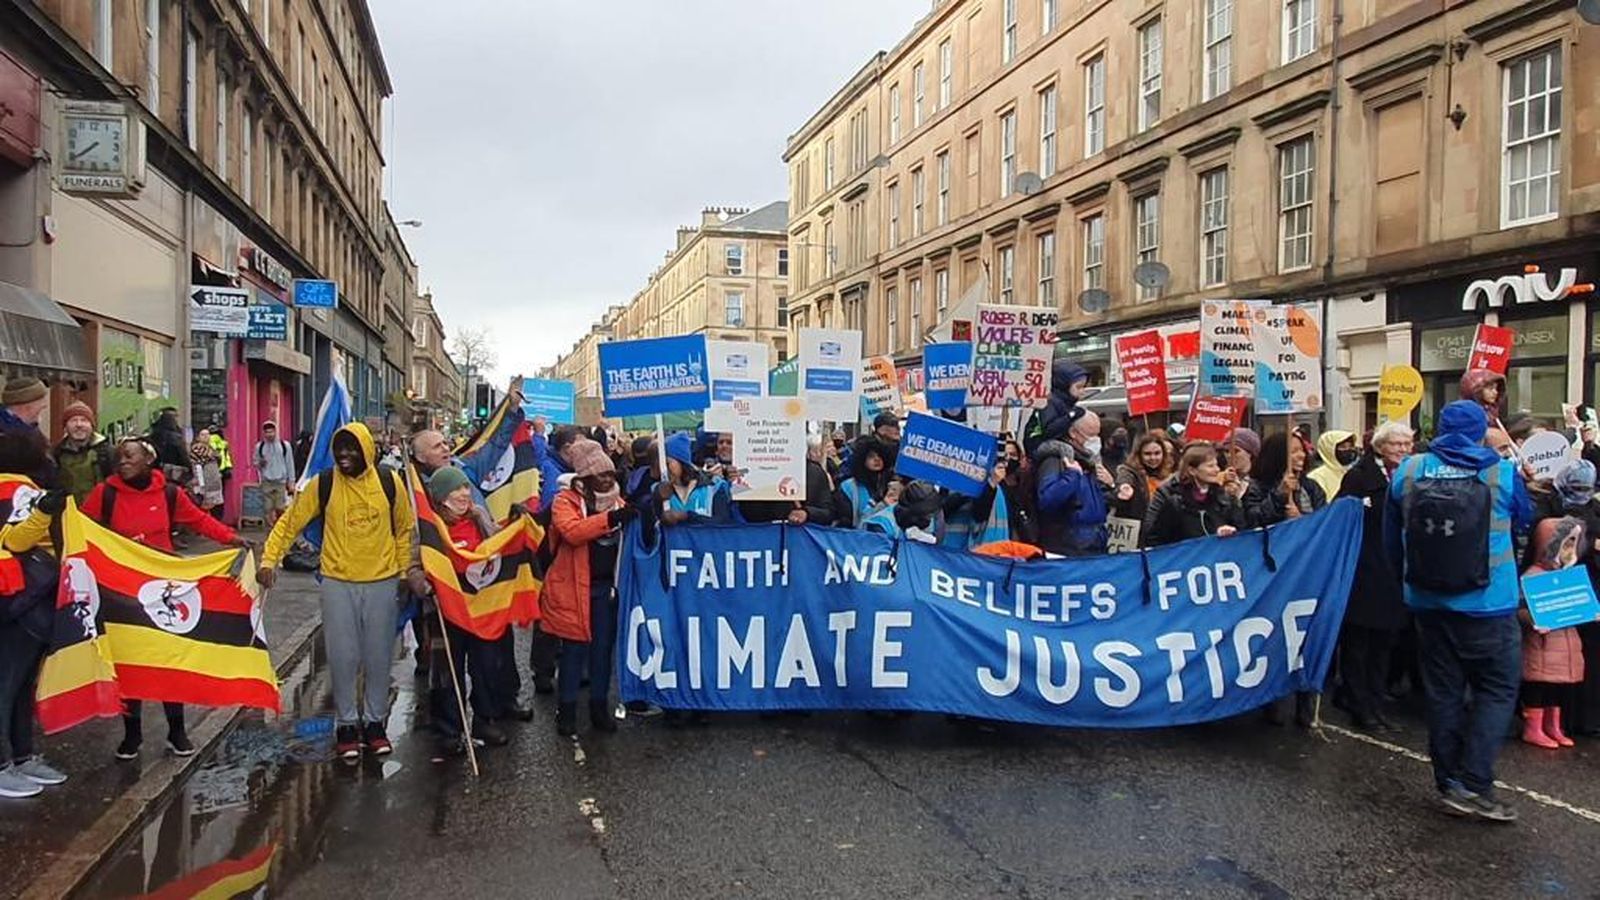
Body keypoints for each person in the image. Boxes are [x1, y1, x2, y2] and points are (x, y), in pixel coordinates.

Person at [1386, 399, 1532, 822]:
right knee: (1498, 690)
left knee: (1443, 693)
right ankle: (1476, 782)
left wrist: (1409, 585)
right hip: (1488, 606)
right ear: (1479, 431)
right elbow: (1524, 519)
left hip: (1428, 603)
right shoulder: (1501, 473)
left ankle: (1449, 782)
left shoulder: (1408, 472)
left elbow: (1391, 542)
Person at [82, 437, 249, 759]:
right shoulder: (106, 493)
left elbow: (200, 521)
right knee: (131, 663)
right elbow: (85, 528)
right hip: (122, 591)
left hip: (162, 589)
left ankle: (177, 731)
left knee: (168, 657)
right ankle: (132, 736)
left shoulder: (170, 493)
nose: (122, 461)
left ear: (148, 458)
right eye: (119, 457)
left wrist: (231, 538)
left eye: (129, 455)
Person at [258, 423, 415, 761]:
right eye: (339, 448)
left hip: (382, 581)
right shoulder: (324, 484)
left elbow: (403, 530)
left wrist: (403, 572)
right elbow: (290, 523)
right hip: (337, 582)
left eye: (352, 449)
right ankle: (346, 726)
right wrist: (269, 561)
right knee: (343, 657)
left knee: (377, 656)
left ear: (367, 451)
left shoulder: (390, 482)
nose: (344, 455)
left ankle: (374, 724)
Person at [405, 466, 516, 758]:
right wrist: (425, 585)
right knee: (447, 672)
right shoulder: (428, 528)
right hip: (446, 611)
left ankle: (484, 720)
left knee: (486, 666)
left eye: (466, 488)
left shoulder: (480, 517)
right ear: (442, 497)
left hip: (481, 608)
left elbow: (498, 547)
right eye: (457, 490)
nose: (465, 494)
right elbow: (414, 566)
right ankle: (449, 729)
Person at [540, 439, 635, 736]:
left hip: (605, 589)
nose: (608, 480)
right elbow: (571, 532)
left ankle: (598, 708)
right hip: (573, 588)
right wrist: (610, 520)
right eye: (600, 475)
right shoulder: (564, 501)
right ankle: (566, 710)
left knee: (602, 652)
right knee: (574, 652)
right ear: (584, 478)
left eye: (610, 474)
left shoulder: (619, 502)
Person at [0, 436, 68, 798]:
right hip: (20, 601)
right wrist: (44, 511)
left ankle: (21, 757)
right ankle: (6, 764)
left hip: (20, 600)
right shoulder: (17, 489)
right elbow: (15, 540)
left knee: (20, 684)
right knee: (10, 684)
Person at [1336, 420, 1414, 732]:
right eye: (1397, 444)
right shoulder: (1358, 476)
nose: (1404, 450)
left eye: (1407, 444)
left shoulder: (1409, 476)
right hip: (1366, 569)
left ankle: (1376, 703)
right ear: (1380, 446)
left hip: (1396, 570)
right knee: (1359, 644)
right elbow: (1340, 516)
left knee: (1385, 643)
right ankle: (1360, 705)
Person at [1518, 516, 1586, 749]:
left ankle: (1552, 725)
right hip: (1542, 643)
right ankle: (1533, 726)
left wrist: (1588, 611)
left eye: (1574, 544)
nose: (1570, 550)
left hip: (1564, 642)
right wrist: (1533, 621)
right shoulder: (1533, 575)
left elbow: (1578, 604)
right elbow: (1519, 609)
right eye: (1566, 543)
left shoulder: (1570, 576)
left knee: (1557, 687)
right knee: (1538, 687)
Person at [1035, 410, 1113, 556]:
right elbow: (1047, 500)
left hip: (1094, 544)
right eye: (1090, 435)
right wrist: (1072, 476)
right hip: (1068, 547)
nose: (1095, 440)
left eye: (1097, 434)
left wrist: (1112, 488)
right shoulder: (1055, 461)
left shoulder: (1088, 462)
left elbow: (1098, 504)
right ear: (1073, 433)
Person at [1140, 444, 1243, 547]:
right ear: (1192, 470)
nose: (1216, 470)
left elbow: (1242, 529)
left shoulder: (1224, 497)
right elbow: (1155, 537)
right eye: (1210, 466)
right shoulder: (1173, 501)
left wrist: (1228, 530)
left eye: (1216, 465)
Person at [654, 433, 733, 526]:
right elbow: (651, 531)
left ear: (682, 461)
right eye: (661, 465)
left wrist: (687, 516)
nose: (664, 469)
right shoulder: (661, 490)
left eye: (668, 463)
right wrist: (657, 500)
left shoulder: (714, 487)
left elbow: (722, 522)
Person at [1250, 432, 1327, 526]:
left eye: (1302, 450)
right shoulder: (1257, 487)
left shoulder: (1311, 487)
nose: (1301, 455)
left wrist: (1301, 518)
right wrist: (1280, 494)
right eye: (1294, 451)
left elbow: (1323, 519)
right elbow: (1254, 519)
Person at [1022, 359, 1089, 459]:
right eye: (1078, 387)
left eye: (1084, 387)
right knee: (1066, 449)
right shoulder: (1049, 402)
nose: (1082, 391)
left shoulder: (1067, 403)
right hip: (1037, 444)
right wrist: (1071, 416)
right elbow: (1049, 430)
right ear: (1064, 385)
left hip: (1055, 440)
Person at [51, 401, 112, 504]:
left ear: (92, 425)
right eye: (73, 420)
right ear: (65, 427)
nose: (79, 425)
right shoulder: (56, 454)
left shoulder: (107, 452)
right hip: (68, 514)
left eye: (84, 420)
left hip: (99, 514)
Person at [834, 440, 896, 528]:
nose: (877, 459)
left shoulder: (890, 484)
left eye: (880, 456)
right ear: (862, 459)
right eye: (871, 456)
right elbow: (847, 520)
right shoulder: (849, 487)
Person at [861, 480, 944, 542]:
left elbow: (938, 545)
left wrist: (927, 540)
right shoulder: (882, 525)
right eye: (928, 514)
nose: (931, 516)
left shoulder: (934, 515)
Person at [1113, 433, 1169, 525]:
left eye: (1157, 453)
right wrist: (1124, 487)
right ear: (1139, 454)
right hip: (1136, 527)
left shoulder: (1167, 474)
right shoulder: (1130, 471)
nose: (1153, 458)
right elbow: (1125, 478)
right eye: (1147, 454)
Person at [252, 421, 296, 527]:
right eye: (267, 432)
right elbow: (255, 462)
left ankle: (279, 528)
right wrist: (260, 463)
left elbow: (290, 463)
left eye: (271, 432)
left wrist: (291, 482)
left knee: (280, 507)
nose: (269, 434)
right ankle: (271, 530)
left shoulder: (284, 446)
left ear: (276, 432)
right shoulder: (260, 446)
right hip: (267, 481)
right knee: (267, 508)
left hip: (280, 481)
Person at [1308, 429, 1357, 500]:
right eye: (1343, 447)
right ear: (1330, 450)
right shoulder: (1317, 477)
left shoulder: (1352, 472)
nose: (1348, 450)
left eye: (1350, 446)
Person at [189, 432, 224, 519]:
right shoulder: (197, 449)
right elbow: (197, 469)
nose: (206, 436)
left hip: (215, 483)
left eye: (207, 434)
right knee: (205, 509)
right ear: (198, 437)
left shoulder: (213, 449)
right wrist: (201, 485)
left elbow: (218, 462)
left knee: (217, 510)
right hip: (205, 484)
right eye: (202, 434)